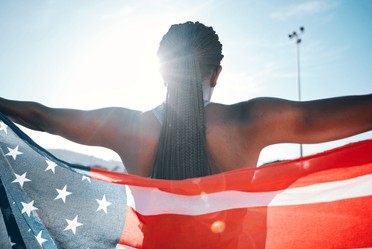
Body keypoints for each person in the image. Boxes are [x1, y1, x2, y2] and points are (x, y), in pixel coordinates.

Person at [0, 21, 371, 180]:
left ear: (162, 73)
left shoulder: (126, 128)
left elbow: (40, 116)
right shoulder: (251, 120)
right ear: (216, 74)